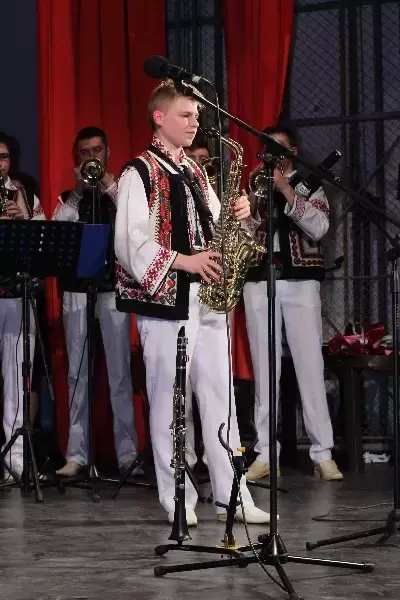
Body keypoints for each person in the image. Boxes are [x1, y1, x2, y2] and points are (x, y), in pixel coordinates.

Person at [115, 79, 270, 526]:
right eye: (185, 115)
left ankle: (232, 494)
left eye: (197, 116)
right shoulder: (138, 172)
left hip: (209, 298)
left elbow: (217, 228)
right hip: (167, 301)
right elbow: (129, 242)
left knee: (221, 396)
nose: (194, 123)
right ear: (159, 117)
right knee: (170, 400)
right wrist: (185, 261)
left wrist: (240, 214)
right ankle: (176, 497)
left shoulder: (197, 173)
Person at [243, 124, 343, 482]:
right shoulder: (253, 184)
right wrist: (255, 200)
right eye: (267, 149)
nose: (273, 155)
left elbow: (319, 228)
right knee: (264, 368)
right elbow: (243, 230)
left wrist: (285, 190)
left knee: (310, 365)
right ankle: (264, 452)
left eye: (279, 148)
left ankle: (322, 453)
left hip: (301, 282)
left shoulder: (310, 184)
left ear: (293, 152)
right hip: (259, 280)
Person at [52, 126, 139, 477]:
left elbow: (136, 224)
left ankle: (127, 455)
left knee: (120, 374)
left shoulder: (123, 193)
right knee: (77, 374)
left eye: (97, 151)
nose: (92, 158)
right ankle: (77, 455)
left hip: (113, 290)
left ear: (108, 153)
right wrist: (77, 192)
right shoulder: (69, 197)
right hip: (76, 291)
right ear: (77, 158)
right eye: (85, 153)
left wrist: (106, 184)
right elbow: (58, 231)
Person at [0, 132, 45, 477]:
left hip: (16, 296)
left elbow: (44, 240)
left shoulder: (24, 193)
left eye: (3, 157)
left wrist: (23, 222)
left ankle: (14, 463)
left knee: (17, 381)